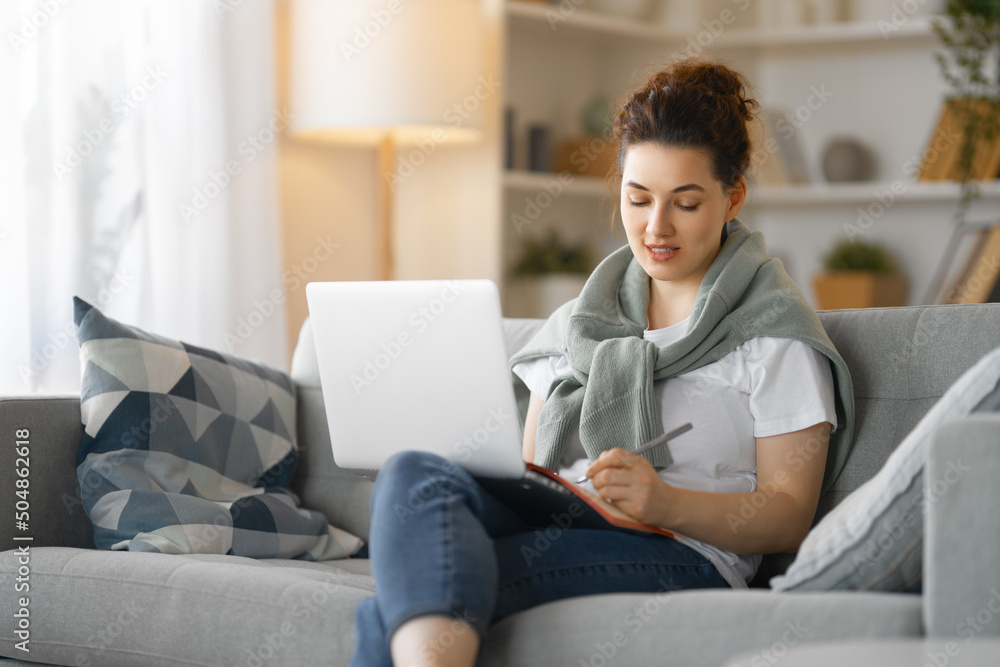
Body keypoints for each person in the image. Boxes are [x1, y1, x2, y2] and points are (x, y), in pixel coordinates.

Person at [348, 57, 855, 667]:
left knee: (411, 595)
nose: (655, 226)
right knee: (411, 474)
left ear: (732, 198)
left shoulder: (773, 333)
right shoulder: (576, 325)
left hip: (684, 553)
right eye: (637, 199)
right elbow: (532, 472)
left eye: (685, 204)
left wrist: (663, 501)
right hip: (563, 518)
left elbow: (788, 516)